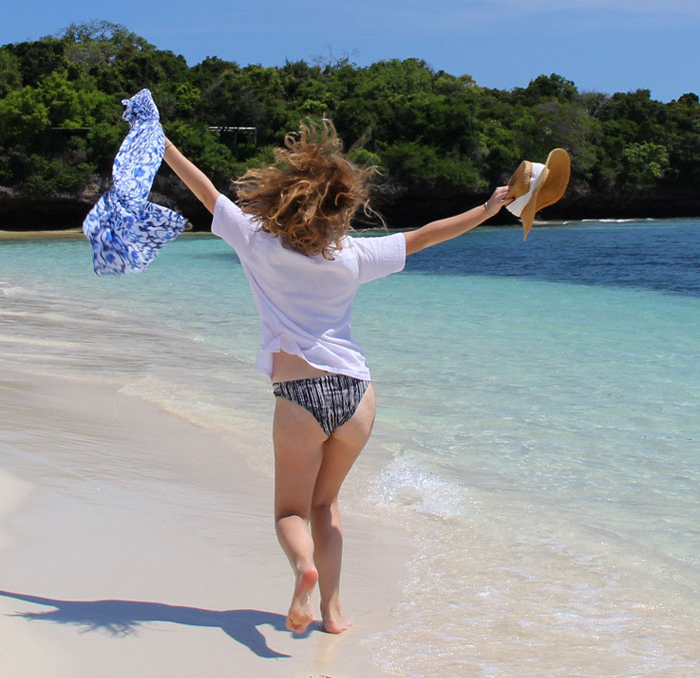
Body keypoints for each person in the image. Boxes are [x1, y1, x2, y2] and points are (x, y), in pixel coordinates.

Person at [160, 119, 512, 634]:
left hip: (300, 393)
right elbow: (424, 237)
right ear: (342, 206)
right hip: (357, 395)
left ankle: (303, 568)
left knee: (290, 513)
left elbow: (205, 190)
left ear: (284, 197)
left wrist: (164, 142)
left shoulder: (257, 243)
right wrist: (489, 207)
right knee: (326, 505)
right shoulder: (354, 256)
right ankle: (332, 612)